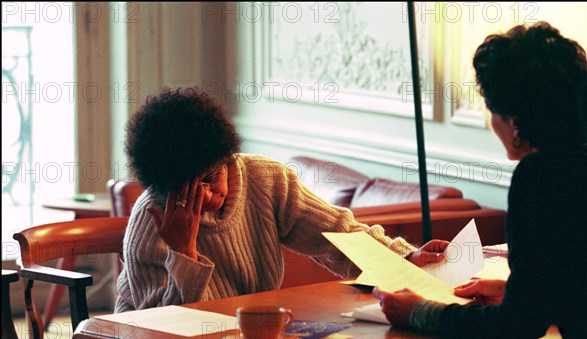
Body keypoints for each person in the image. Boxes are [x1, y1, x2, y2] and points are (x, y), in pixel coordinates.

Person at [373, 22, 587, 339]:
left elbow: (515, 330)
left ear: (515, 123)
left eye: (491, 110)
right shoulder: (586, 163)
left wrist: (419, 312)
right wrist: (520, 292)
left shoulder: (543, 179)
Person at [115, 87, 448, 314]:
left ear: (228, 160)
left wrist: (404, 258)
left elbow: (338, 234)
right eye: (186, 189)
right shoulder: (151, 220)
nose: (204, 196)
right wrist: (183, 253)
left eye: (209, 179)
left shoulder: (264, 179)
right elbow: (156, 330)